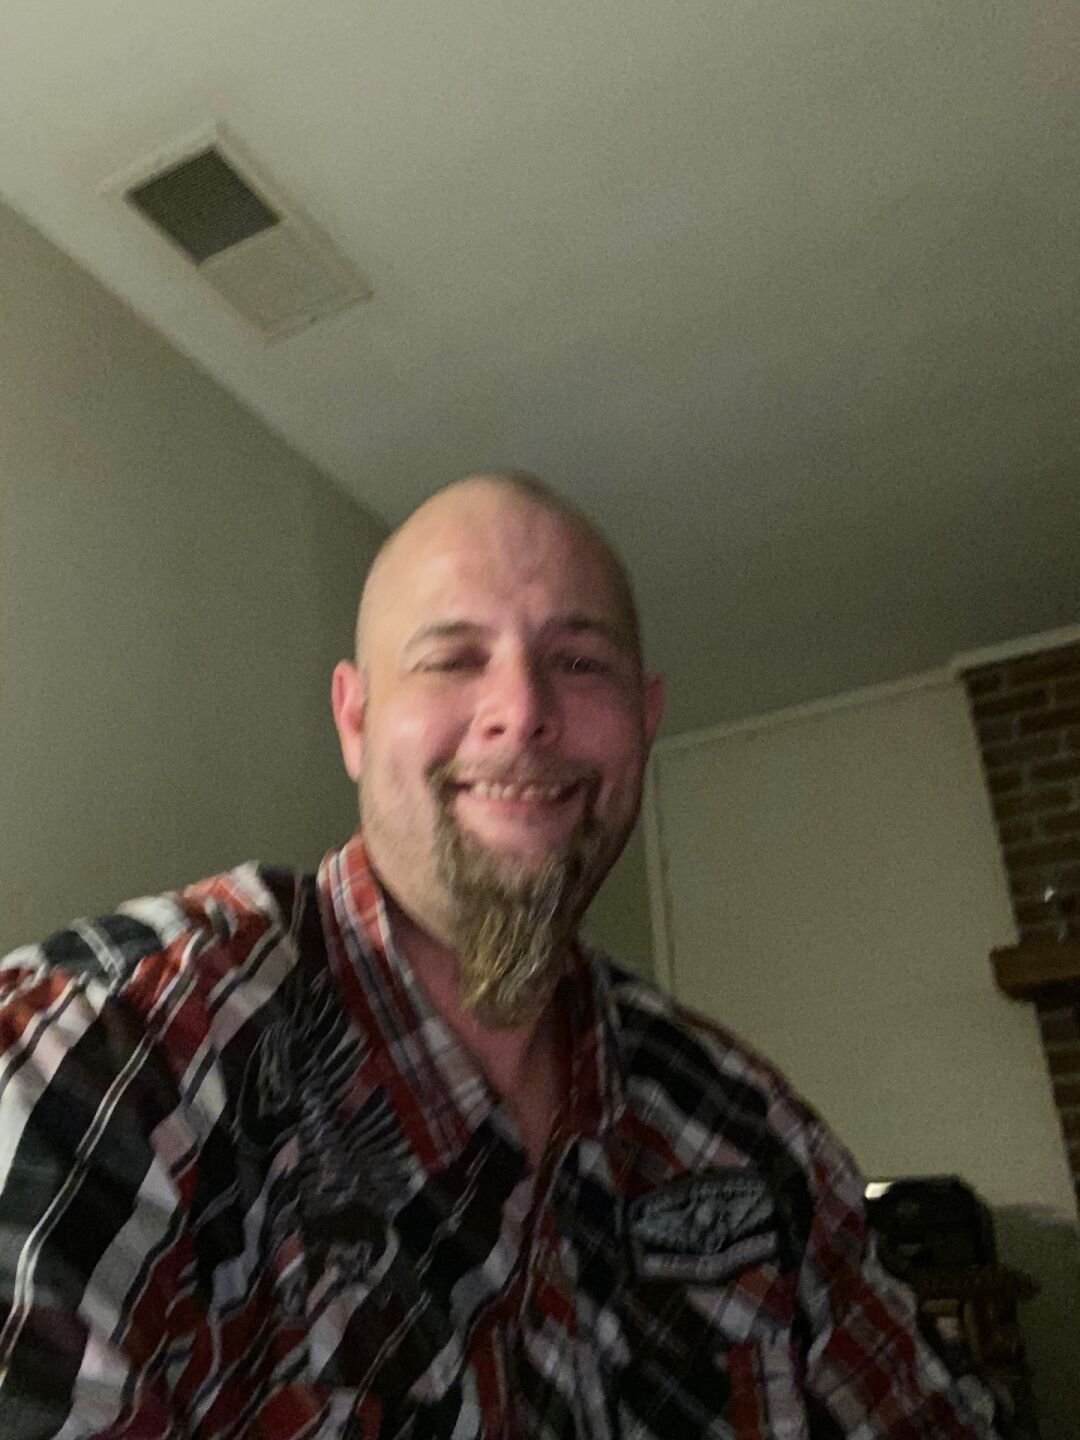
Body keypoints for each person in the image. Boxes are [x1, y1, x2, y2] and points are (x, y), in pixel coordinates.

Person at [0, 473, 998, 1439]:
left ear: (645, 720)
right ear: (355, 721)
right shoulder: (102, 1058)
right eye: (452, 659)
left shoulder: (750, 1131)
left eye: (580, 662)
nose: (521, 710)